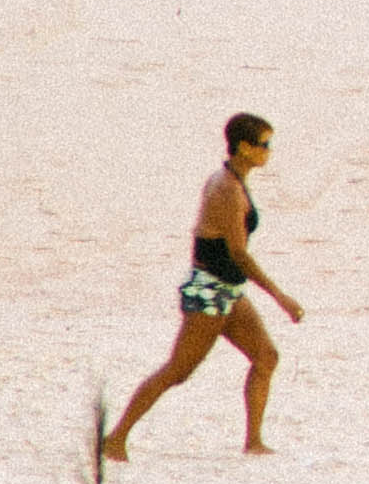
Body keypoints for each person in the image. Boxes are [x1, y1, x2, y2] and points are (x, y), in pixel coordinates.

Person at [104, 111, 303, 458]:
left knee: (266, 356)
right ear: (243, 147)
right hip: (210, 290)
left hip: (227, 289)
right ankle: (116, 438)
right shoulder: (226, 188)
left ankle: (253, 441)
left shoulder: (234, 181)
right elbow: (239, 253)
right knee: (178, 371)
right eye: (264, 144)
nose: (269, 151)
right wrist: (279, 296)